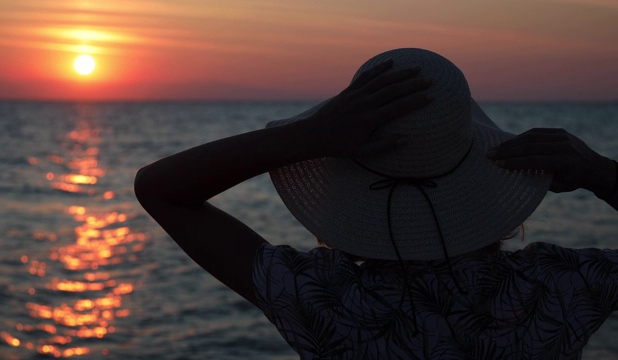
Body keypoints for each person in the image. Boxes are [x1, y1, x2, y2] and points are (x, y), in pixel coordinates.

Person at [134, 48, 618, 359]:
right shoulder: (559, 287)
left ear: (345, 184)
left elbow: (160, 189)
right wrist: (600, 172)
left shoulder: (322, 298)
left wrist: (306, 137)